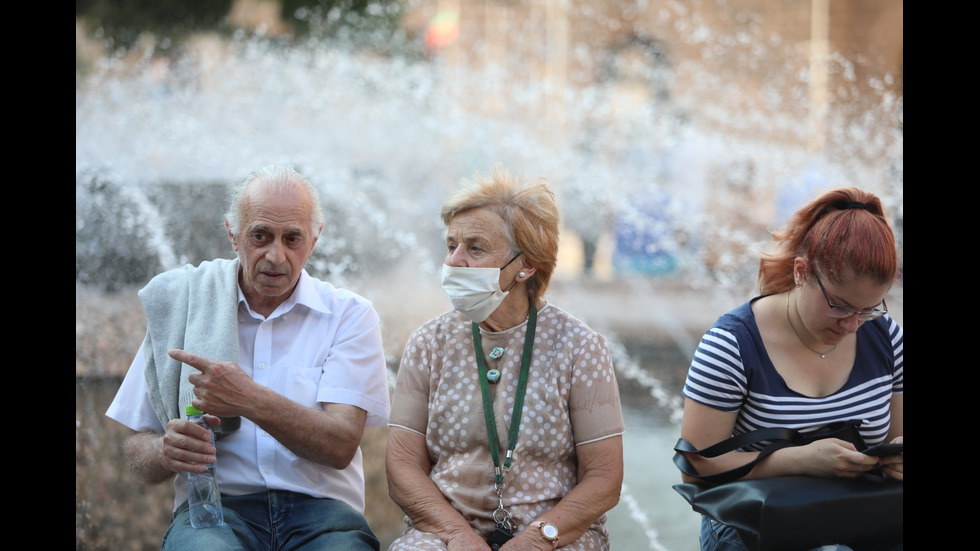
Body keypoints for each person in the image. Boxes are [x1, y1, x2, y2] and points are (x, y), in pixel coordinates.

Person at [105, 165, 392, 551]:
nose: (276, 255)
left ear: (315, 238)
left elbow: (340, 446)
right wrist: (164, 451)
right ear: (233, 233)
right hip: (215, 513)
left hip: (324, 519)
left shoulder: (349, 315)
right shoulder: (183, 305)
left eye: (293, 238)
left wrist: (248, 399)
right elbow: (136, 449)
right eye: (261, 236)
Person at [385, 165, 625, 551]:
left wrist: (536, 539)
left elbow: (604, 477)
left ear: (525, 265)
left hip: (555, 537)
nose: (454, 261)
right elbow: (402, 465)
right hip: (444, 533)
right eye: (451, 246)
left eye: (474, 248)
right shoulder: (428, 343)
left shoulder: (580, 347)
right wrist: (457, 535)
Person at [677, 187, 903, 551]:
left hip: (859, 515)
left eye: (869, 309)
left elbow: (896, 440)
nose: (853, 326)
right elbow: (695, 467)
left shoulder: (887, 338)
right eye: (840, 306)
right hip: (756, 525)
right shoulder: (732, 344)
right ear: (801, 271)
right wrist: (799, 460)